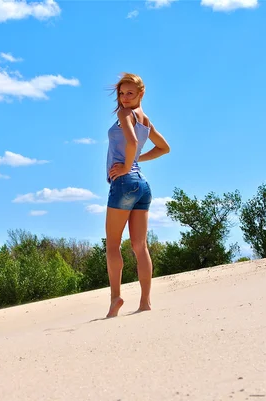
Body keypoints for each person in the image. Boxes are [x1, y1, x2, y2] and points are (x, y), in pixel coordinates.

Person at [104, 73, 170, 318]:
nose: (124, 98)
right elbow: (164, 148)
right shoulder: (145, 120)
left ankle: (115, 299)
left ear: (141, 93)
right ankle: (145, 302)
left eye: (130, 93)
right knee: (140, 246)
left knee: (112, 245)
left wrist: (126, 164)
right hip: (142, 185)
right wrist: (137, 160)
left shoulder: (125, 115)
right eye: (121, 93)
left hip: (124, 183)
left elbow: (131, 141)